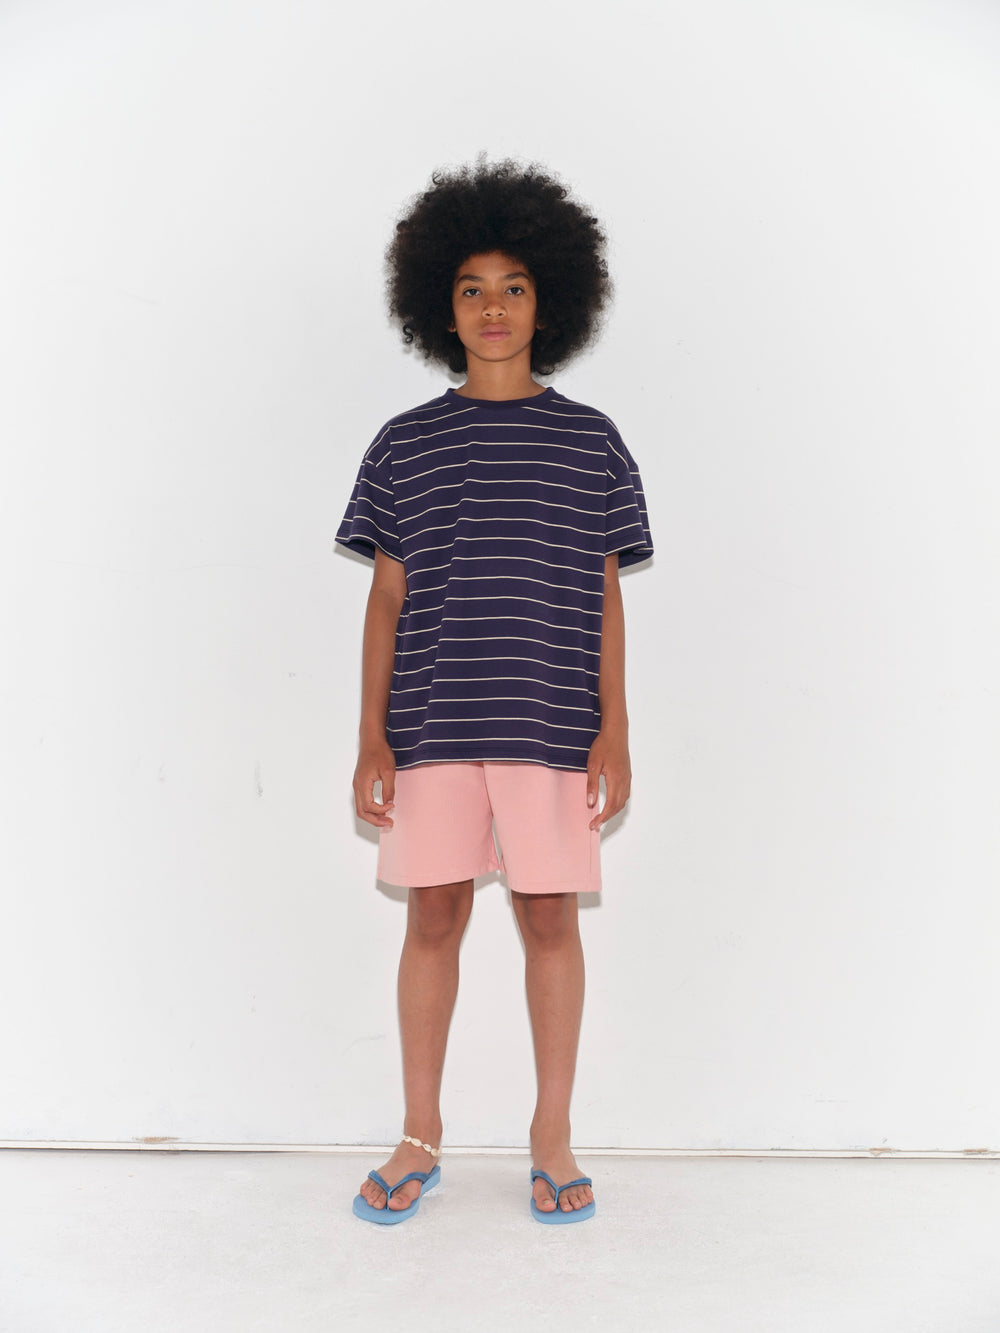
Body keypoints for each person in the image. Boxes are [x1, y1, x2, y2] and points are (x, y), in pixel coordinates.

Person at [335, 159, 653, 1225]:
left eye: (514, 285)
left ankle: (551, 1133)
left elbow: (604, 595)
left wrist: (614, 727)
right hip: (431, 725)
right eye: (471, 287)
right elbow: (385, 598)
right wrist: (372, 735)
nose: (493, 306)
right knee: (431, 913)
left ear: (548, 301)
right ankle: (419, 1130)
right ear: (442, 306)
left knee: (549, 914)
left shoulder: (591, 440)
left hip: (550, 726)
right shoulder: (405, 444)